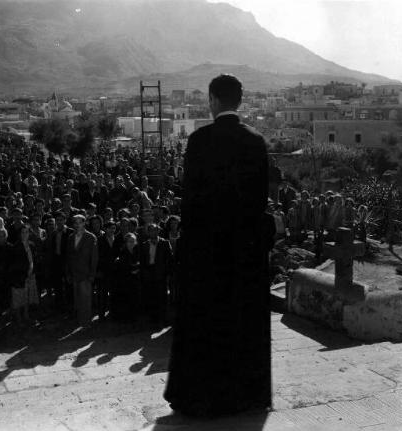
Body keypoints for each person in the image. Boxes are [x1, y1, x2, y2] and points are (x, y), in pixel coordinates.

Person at [164, 74, 272, 417]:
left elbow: (191, 203)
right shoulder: (256, 142)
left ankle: (201, 397)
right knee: (241, 322)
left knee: (206, 323)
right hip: (244, 252)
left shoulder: (199, 140)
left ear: (212, 100)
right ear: (239, 101)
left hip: (207, 253)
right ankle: (246, 396)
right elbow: (259, 203)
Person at [66, 215, 98, 326]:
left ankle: (86, 322)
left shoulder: (91, 237)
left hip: (86, 274)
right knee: (77, 300)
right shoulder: (70, 237)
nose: (77, 224)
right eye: (75, 222)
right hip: (74, 274)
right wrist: (68, 273)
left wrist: (92, 274)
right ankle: (80, 321)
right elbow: (68, 257)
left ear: (84, 223)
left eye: (80, 222)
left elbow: (94, 258)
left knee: (86, 299)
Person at [140, 223, 173, 326]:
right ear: (148, 232)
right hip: (149, 272)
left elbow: (170, 259)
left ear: (158, 231)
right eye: (151, 230)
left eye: (155, 230)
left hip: (161, 273)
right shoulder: (145, 244)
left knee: (162, 297)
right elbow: (142, 260)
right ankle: (153, 319)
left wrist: (167, 273)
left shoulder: (165, 243)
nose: (153, 232)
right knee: (151, 296)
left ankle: (164, 318)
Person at [111, 232, 140, 322]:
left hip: (135, 281)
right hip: (124, 282)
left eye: (133, 241)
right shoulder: (122, 253)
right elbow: (121, 268)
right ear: (125, 243)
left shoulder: (137, 252)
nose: (131, 243)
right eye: (129, 241)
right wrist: (132, 269)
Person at [96, 220, 119, 320]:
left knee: (114, 293)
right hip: (104, 270)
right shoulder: (99, 240)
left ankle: (113, 313)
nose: (112, 230)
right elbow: (97, 256)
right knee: (103, 294)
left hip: (114, 271)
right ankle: (101, 314)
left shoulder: (117, 239)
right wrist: (98, 270)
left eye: (114, 228)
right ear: (105, 229)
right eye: (110, 228)